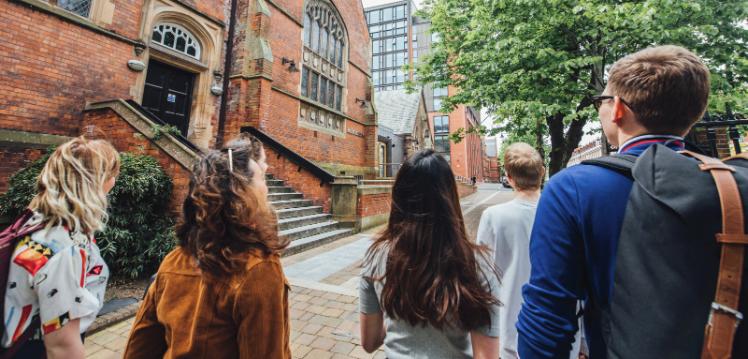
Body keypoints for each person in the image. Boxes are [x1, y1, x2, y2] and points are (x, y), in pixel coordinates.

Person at [517, 45, 746, 358]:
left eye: (603, 100)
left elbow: (547, 318)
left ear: (618, 109)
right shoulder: (731, 187)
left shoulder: (573, 188)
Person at [124, 134, 291, 358]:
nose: (267, 188)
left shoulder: (174, 260)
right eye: (263, 177)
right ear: (244, 194)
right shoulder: (257, 268)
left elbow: (140, 346)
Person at [359, 149, 501, 359]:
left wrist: (397, 324)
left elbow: (370, 342)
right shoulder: (477, 263)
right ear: (449, 196)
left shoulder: (376, 256)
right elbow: (486, 356)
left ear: (399, 195)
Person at [2, 137, 120, 359]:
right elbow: (62, 346)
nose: (113, 181)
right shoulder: (64, 248)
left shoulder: (35, 222)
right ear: (91, 183)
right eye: (110, 174)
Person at [477, 142, 563, 359]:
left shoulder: (494, 216)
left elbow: (482, 276)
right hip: (559, 325)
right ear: (542, 172)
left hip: (510, 324)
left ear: (509, 177)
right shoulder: (564, 214)